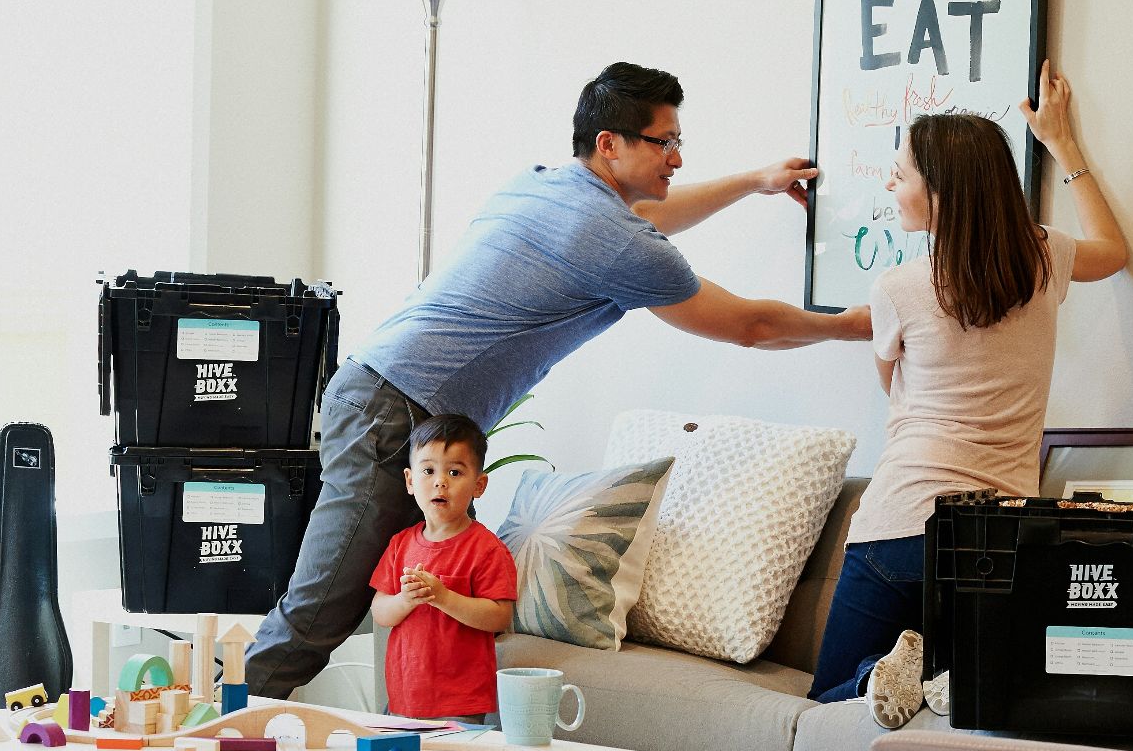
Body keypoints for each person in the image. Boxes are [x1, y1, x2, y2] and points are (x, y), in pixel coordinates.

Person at [246, 61, 871, 697]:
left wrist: (752, 182)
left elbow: (649, 217)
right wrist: (854, 324)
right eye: (665, 142)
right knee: (322, 608)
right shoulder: (614, 240)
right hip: (396, 413)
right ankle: (208, 740)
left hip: (374, 391)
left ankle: (219, 726)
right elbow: (749, 325)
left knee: (322, 602)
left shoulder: (544, 184)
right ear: (611, 144)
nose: (677, 159)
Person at [806, 59, 1130, 728]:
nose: (891, 180)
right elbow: (1114, 250)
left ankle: (897, 676)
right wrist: (1063, 144)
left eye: (903, 171)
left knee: (829, 695)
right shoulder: (1043, 260)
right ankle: (945, 676)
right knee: (975, 691)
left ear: (943, 190)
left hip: (898, 527)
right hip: (999, 534)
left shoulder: (898, 288)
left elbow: (892, 387)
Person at [368, 414, 518, 722]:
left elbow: (499, 617)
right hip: (406, 694)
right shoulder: (400, 544)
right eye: (428, 470)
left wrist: (442, 596)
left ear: (479, 485)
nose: (440, 481)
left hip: (461, 700)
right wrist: (406, 599)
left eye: (454, 471)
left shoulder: (487, 549)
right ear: (411, 481)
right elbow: (381, 612)